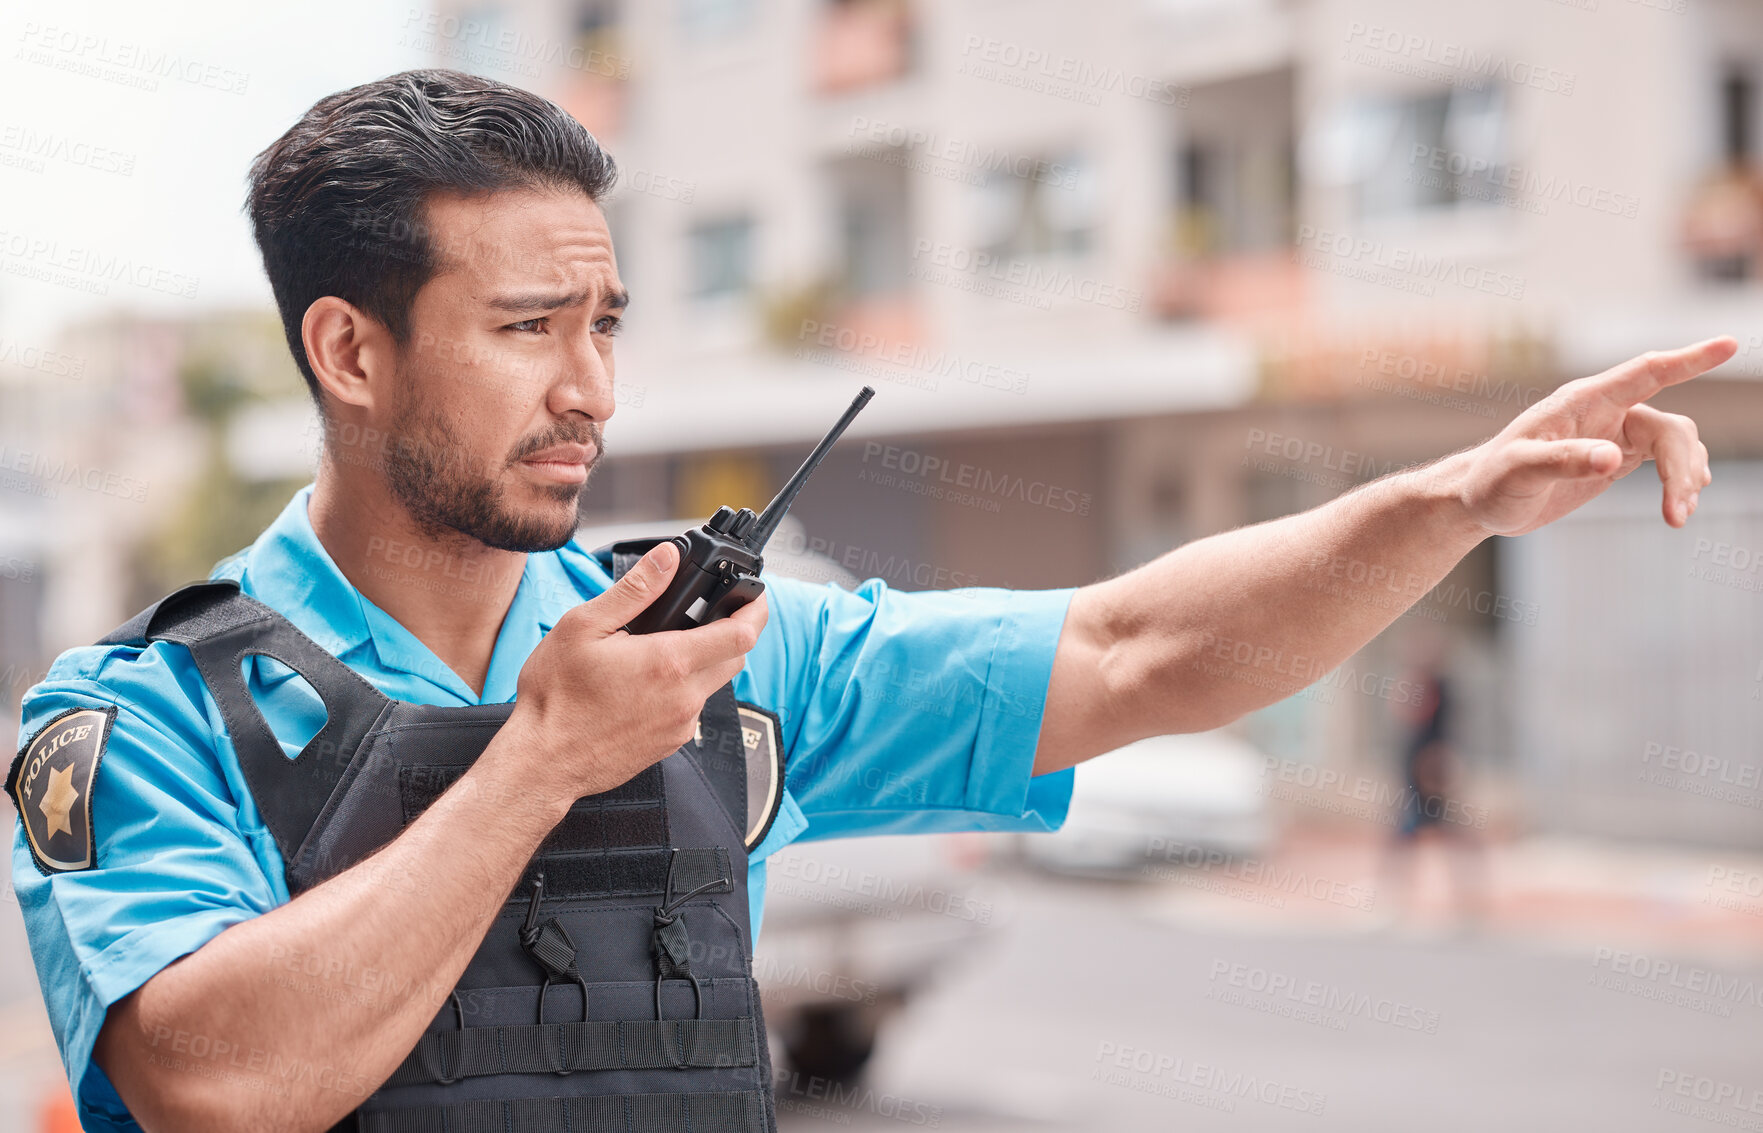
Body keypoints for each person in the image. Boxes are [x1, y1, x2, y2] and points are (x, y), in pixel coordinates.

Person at [5, 69, 1730, 1133]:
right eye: (528, 327)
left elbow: (1136, 646)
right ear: (350, 350)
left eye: (605, 323)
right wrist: (541, 762)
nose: (592, 388)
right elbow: (213, 1085)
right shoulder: (142, 715)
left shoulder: (717, 653)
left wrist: (1448, 498)